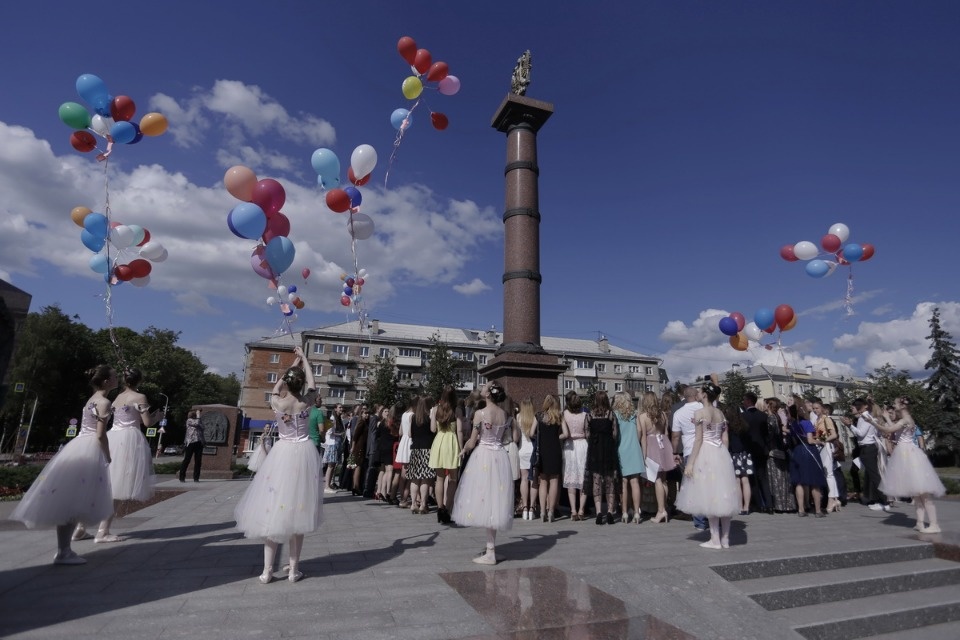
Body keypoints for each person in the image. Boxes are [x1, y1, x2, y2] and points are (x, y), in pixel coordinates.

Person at [233, 346, 322, 584]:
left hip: (281, 453)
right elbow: (313, 384)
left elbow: (276, 387)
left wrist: (292, 366)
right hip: (303, 453)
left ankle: (266, 571)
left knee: (272, 509)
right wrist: (304, 359)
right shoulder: (307, 402)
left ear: (287, 383)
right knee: (298, 510)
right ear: (301, 385)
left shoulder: (276, 402)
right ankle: (293, 571)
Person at [12, 365, 116, 565]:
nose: (117, 379)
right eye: (114, 377)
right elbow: (101, 434)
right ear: (106, 381)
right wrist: (108, 455)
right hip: (91, 448)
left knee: (72, 499)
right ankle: (64, 552)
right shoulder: (104, 401)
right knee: (75, 500)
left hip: (78, 445)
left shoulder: (91, 400)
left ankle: (65, 548)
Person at [93, 367, 162, 542]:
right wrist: (158, 416)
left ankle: (81, 527)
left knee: (108, 483)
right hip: (130, 440)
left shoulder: (116, 398)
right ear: (140, 380)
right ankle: (103, 531)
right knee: (118, 487)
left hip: (114, 437)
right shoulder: (140, 397)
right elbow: (147, 423)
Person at [452, 382, 514, 565]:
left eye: (485, 387)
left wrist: (464, 449)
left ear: (488, 395)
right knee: (495, 500)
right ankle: (491, 548)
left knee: (485, 499)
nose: (482, 388)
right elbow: (503, 438)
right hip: (500, 457)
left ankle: (490, 552)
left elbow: (472, 441)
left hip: (485, 456)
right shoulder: (505, 415)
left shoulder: (480, 414)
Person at [675, 382, 740, 549]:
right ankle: (725, 539)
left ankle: (715, 539)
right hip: (720, 453)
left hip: (705, 453)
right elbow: (725, 439)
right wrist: (722, 455)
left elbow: (698, 440)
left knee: (710, 496)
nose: (698, 393)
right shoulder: (720, 413)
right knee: (723, 495)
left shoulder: (700, 412)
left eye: (700, 391)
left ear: (704, 395)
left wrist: (690, 463)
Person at [874, 398, 945, 532]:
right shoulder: (907, 419)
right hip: (908, 454)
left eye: (895, 404)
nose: (893, 406)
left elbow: (888, 430)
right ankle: (919, 522)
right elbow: (896, 431)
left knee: (923, 494)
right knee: (917, 494)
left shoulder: (905, 420)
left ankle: (935, 524)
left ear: (901, 406)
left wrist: (873, 422)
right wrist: (886, 418)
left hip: (909, 456)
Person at [671, 387, 705, 530]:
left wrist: (674, 452)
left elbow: (675, 436)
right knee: (709, 483)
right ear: (696, 395)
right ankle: (714, 515)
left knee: (693, 486)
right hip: (707, 449)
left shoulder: (679, 413)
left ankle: (700, 521)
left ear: (684, 397)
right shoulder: (704, 408)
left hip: (689, 451)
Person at [638, 391, 675, 523]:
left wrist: (644, 455)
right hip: (664, 444)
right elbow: (666, 433)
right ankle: (664, 508)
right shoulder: (663, 415)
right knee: (663, 479)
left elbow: (642, 438)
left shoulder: (642, 416)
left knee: (657, 479)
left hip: (652, 446)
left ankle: (661, 510)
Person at [787, 400, 826, 517]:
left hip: (797, 451)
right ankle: (818, 511)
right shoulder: (807, 423)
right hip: (809, 451)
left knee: (799, 481)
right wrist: (821, 441)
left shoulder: (793, 424)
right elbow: (810, 440)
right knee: (815, 482)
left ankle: (801, 509)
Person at [588, 391, 621, 525]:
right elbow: (615, 434)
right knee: (609, 482)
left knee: (596, 482)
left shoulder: (590, 415)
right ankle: (610, 512)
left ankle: (598, 513)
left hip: (595, 450)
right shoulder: (610, 414)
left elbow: (587, 434)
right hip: (608, 450)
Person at [430, 386, 461, 524]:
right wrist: (461, 450)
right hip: (452, 442)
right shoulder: (457, 410)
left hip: (439, 441)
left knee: (440, 478)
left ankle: (439, 508)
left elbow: (432, 429)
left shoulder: (437, 409)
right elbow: (459, 431)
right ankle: (447, 510)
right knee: (453, 479)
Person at [851, 398, 888, 511]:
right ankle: (875, 498)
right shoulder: (864, 417)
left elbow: (861, 433)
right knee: (870, 475)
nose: (851, 409)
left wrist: (849, 426)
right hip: (867, 448)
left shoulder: (865, 417)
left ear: (860, 407)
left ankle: (884, 501)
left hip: (868, 448)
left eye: (853, 407)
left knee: (874, 475)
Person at [612, 392, 644, 523]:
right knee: (635, 482)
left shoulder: (615, 415)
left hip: (621, 449)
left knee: (623, 483)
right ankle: (637, 512)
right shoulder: (634, 415)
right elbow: (640, 431)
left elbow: (614, 434)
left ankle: (624, 512)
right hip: (634, 449)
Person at [763, 398, 796, 513]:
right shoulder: (777, 417)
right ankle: (787, 503)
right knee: (782, 477)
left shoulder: (771, 418)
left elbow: (771, 434)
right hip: (780, 449)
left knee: (776, 478)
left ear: (769, 406)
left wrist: (766, 444)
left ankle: (780, 504)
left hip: (773, 450)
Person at [741, 392, 773, 513]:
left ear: (748, 401)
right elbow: (767, 434)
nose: (743, 402)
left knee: (752, 478)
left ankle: (759, 504)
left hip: (749, 450)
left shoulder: (743, 416)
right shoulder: (763, 416)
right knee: (763, 477)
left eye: (744, 400)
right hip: (762, 449)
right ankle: (769, 504)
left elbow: (743, 435)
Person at [535, 394, 564, 523]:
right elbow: (567, 433)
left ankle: (542, 512)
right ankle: (551, 511)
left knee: (543, 481)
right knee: (554, 481)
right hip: (555, 450)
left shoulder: (539, 416)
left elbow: (531, 433)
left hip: (542, 450)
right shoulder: (559, 416)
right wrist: (557, 437)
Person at [561, 391, 589, 522]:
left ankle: (573, 510)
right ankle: (582, 510)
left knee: (571, 476)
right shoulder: (585, 415)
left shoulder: (564, 414)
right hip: (583, 445)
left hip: (569, 446)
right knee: (583, 478)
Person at [407, 396, 437, 514]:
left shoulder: (412, 417)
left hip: (415, 450)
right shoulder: (429, 418)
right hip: (426, 450)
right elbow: (433, 430)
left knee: (415, 478)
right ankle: (423, 505)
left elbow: (409, 434)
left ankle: (413, 503)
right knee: (425, 478)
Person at [812, 400, 841, 513]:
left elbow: (834, 434)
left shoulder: (826, 419)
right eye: (814, 408)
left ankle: (832, 499)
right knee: (826, 473)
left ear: (822, 408)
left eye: (817, 408)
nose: (815, 410)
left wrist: (821, 440)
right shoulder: (817, 420)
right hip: (821, 447)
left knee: (829, 474)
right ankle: (834, 498)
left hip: (827, 446)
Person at [515, 397, 540, 521]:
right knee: (533, 480)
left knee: (524, 479)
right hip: (532, 450)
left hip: (522, 450)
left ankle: (524, 507)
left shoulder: (518, 417)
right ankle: (532, 508)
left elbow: (517, 436)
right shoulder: (534, 417)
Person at [321, 404, 346, 494]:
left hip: (337, 444)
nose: (341, 409)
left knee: (333, 465)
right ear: (335, 409)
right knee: (330, 465)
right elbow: (330, 431)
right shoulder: (333, 418)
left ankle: (329, 484)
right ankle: (326, 486)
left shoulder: (339, 419)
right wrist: (340, 434)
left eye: (342, 408)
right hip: (332, 443)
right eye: (339, 408)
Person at [179, 409, 205, 483]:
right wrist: (198, 415)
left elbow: (203, 428)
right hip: (190, 442)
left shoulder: (199, 420)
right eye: (196, 414)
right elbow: (196, 424)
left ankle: (196, 478)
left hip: (199, 442)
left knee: (198, 461)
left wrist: (203, 441)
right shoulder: (189, 420)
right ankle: (182, 477)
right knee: (187, 459)